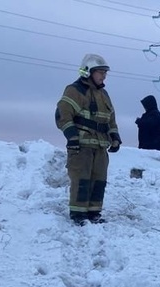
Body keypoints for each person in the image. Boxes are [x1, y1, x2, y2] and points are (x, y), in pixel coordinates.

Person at [55, 53, 121, 225]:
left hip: (100, 147)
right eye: (100, 72)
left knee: (99, 181)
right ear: (87, 71)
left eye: (105, 72)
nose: (104, 75)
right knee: (81, 180)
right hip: (81, 146)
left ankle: (94, 214)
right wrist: (72, 137)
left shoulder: (104, 95)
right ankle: (78, 215)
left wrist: (115, 136)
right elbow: (62, 114)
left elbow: (111, 119)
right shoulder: (74, 90)